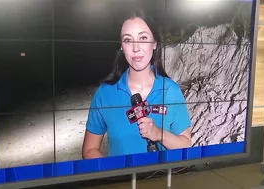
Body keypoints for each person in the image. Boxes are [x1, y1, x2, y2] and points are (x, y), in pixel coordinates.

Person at [82, 8, 192, 159]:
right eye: (128, 40)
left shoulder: (170, 90)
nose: (135, 48)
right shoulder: (105, 94)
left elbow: (186, 145)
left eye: (143, 38)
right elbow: (89, 150)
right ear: (121, 46)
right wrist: (115, 176)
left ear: (154, 43)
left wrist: (159, 134)